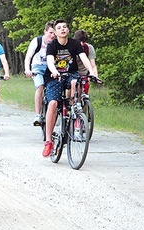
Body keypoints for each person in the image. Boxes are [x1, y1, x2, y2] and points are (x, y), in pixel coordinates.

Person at [42, 19, 99, 157]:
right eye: (59, 28)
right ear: (55, 32)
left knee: (76, 82)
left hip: (71, 74)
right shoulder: (52, 45)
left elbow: (84, 58)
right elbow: (50, 61)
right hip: (54, 76)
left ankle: (74, 109)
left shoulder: (74, 44)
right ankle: (49, 141)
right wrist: (54, 70)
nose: (63, 29)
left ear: (68, 30)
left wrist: (91, 72)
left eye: (65, 27)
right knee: (53, 103)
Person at [24, 21, 55, 126]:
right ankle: (37, 115)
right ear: (45, 31)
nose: (52, 35)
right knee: (40, 86)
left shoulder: (56, 43)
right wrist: (27, 69)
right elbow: (28, 57)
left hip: (51, 68)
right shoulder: (37, 41)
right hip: (37, 67)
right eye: (50, 32)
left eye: (54, 33)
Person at [73, 30, 98, 94]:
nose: (81, 44)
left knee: (85, 91)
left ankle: (85, 102)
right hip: (73, 73)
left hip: (84, 74)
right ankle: (69, 102)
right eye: (79, 41)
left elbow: (93, 65)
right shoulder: (70, 47)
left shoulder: (89, 48)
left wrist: (95, 76)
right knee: (71, 88)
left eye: (83, 42)